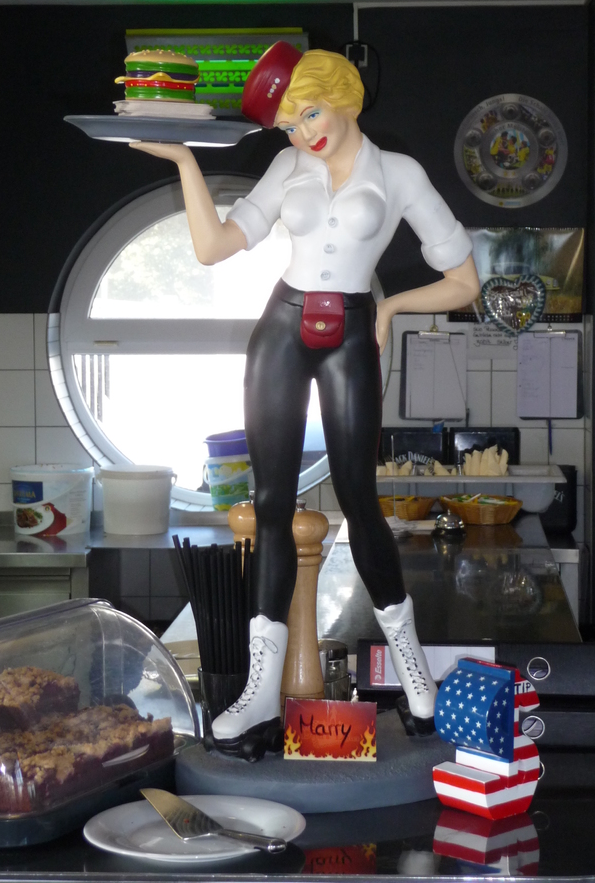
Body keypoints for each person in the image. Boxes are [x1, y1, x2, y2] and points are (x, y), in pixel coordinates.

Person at [131, 43, 481, 758]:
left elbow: (464, 281)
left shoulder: (401, 174)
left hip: (352, 329)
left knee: (358, 496)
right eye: (290, 124)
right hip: (282, 327)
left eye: (310, 114)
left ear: (345, 96)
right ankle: (260, 696)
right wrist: (186, 164)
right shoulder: (287, 165)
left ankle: (415, 677)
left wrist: (391, 308)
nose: (302, 134)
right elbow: (213, 247)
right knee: (270, 503)